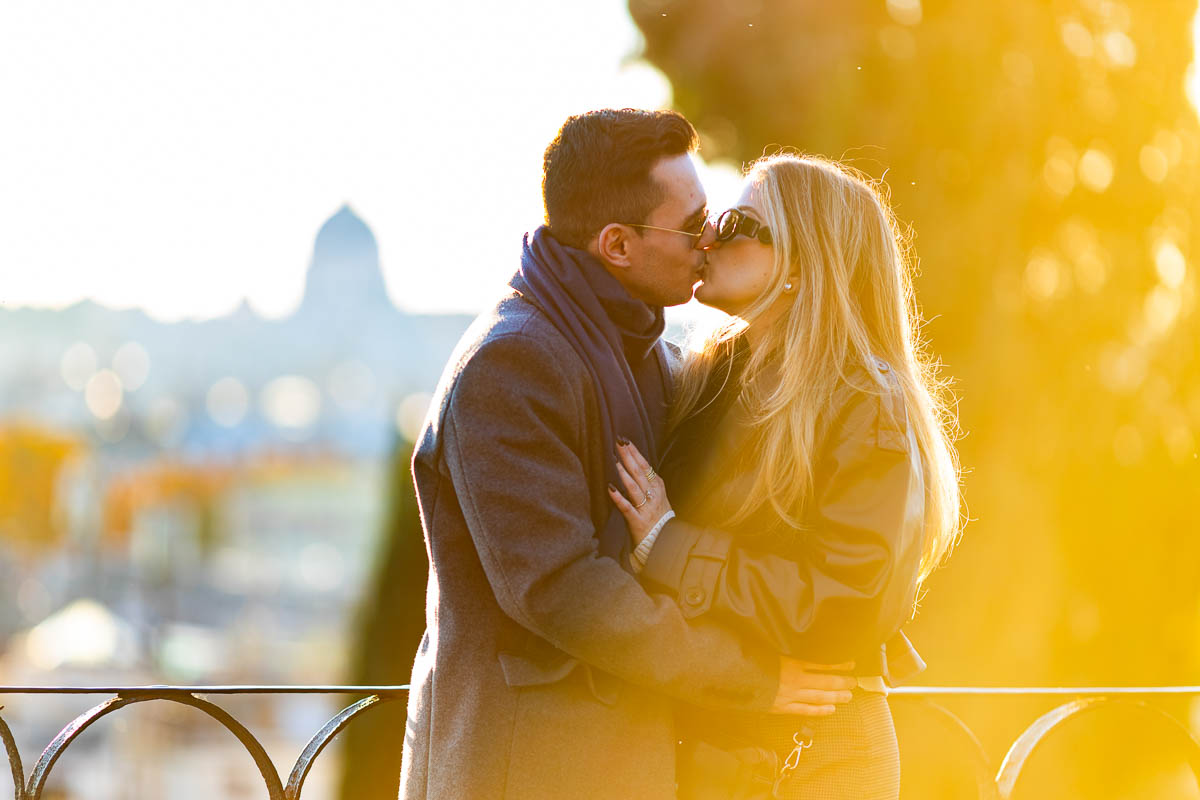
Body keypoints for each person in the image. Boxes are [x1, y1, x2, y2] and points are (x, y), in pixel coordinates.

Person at [400, 112, 857, 800]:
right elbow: (562, 589)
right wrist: (749, 678)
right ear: (617, 244)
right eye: (693, 221)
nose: (711, 237)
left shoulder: (644, 354)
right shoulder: (512, 362)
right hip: (530, 774)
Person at [609, 153, 962, 799]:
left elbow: (849, 605)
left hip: (815, 752)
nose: (709, 235)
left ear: (802, 262)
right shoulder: (709, 378)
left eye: (739, 222)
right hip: (713, 745)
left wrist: (669, 544)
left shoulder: (863, 400)